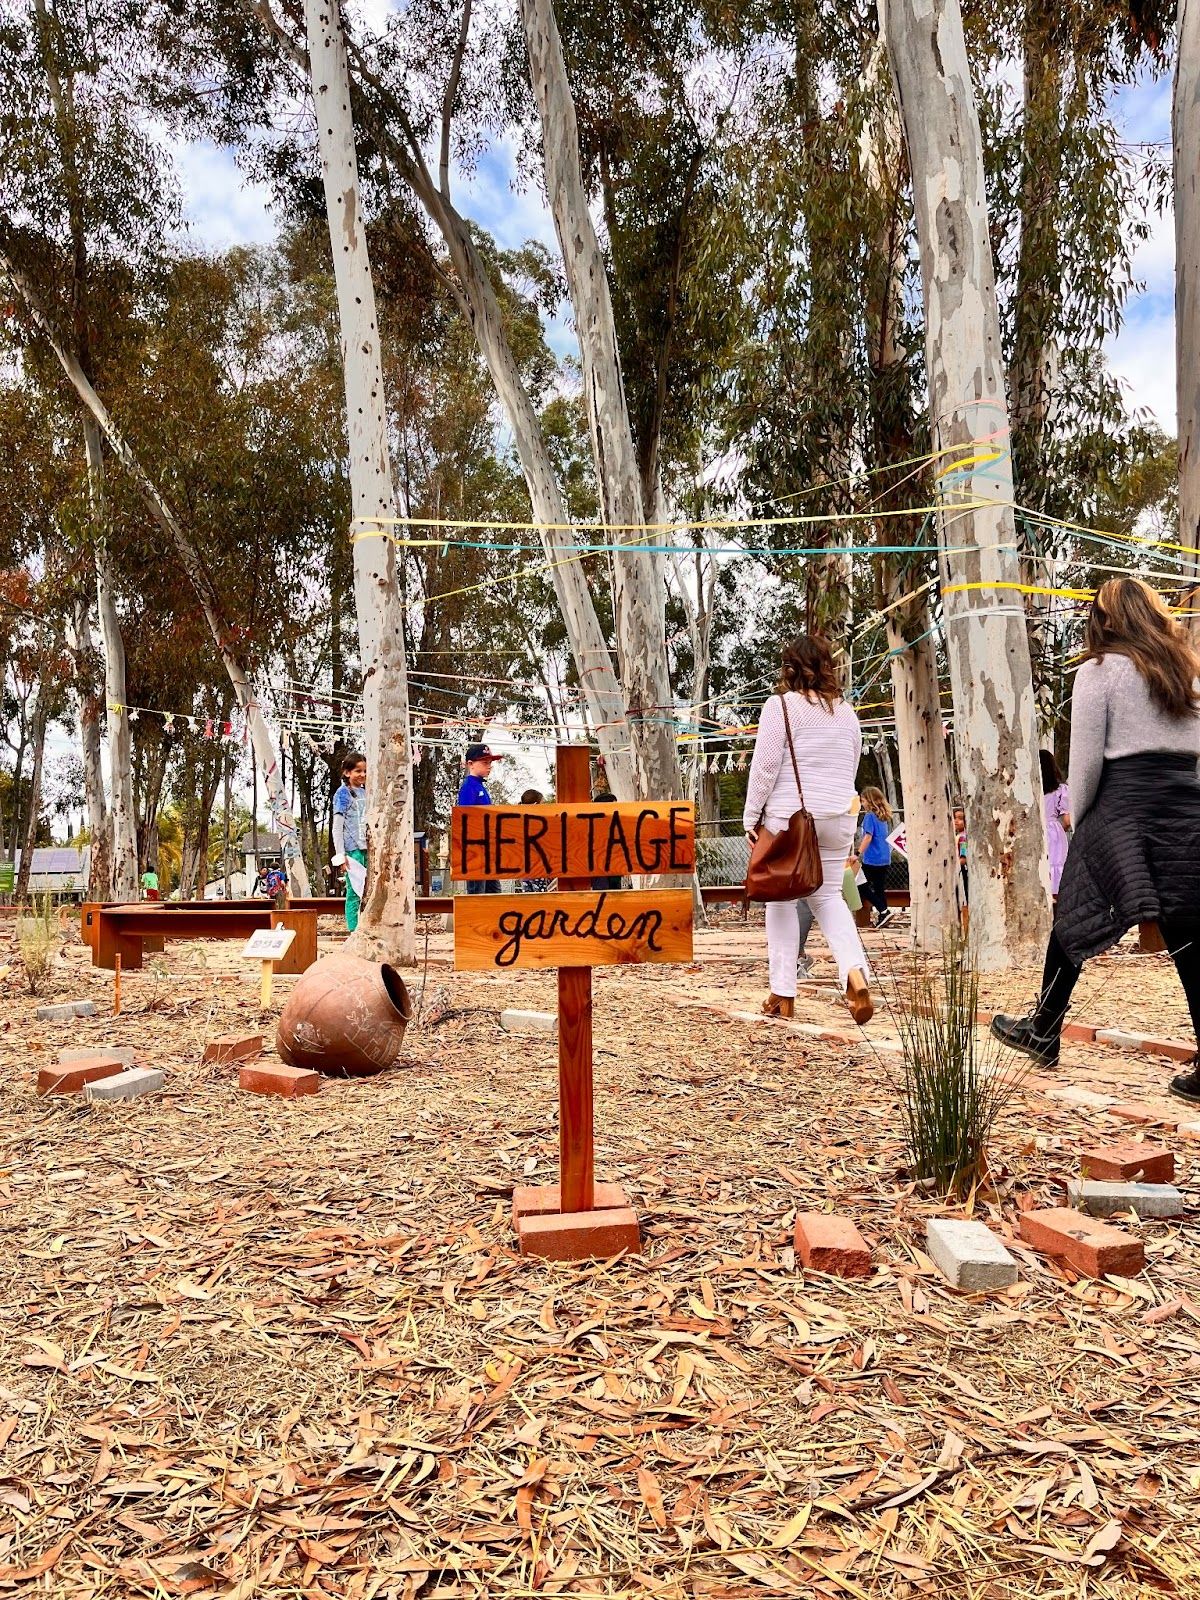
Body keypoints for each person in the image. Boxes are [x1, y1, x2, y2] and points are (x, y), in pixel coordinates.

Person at [992, 578, 1200, 1100]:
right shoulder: (1189, 672)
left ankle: (1043, 1029)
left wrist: (1079, 824)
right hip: (1185, 808)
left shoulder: (1099, 672)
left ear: (1105, 620)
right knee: (1190, 936)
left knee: (1076, 914)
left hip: (1121, 804)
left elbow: (1082, 767)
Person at [743, 634, 874, 1025]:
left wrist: (752, 817)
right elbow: (851, 765)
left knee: (781, 900)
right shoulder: (847, 712)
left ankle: (783, 993)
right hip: (839, 816)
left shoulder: (780, 707)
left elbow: (765, 767)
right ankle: (854, 972)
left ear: (790, 669)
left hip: (791, 819)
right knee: (829, 896)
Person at [458, 743, 503, 894]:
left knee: (494, 894)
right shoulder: (469, 787)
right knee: (478, 895)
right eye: (485, 762)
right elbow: (466, 820)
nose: (489, 766)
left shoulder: (480, 786)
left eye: (490, 763)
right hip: (475, 851)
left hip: (487, 849)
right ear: (470, 764)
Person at [332, 751, 368, 931]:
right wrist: (341, 855)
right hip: (352, 850)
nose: (361, 775)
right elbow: (337, 827)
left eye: (364, 771)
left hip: (368, 848)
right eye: (357, 771)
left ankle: (367, 928)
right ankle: (353, 931)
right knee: (354, 892)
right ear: (347, 773)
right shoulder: (342, 794)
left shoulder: (366, 792)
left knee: (369, 891)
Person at [856, 787, 894, 928]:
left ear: (870, 801)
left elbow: (868, 837)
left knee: (860, 885)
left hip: (872, 858)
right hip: (884, 858)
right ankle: (883, 916)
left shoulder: (870, 816)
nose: (862, 803)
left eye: (863, 800)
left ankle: (883, 910)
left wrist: (857, 853)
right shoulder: (883, 817)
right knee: (879, 888)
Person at [1040, 749, 1072, 894]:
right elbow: (1067, 820)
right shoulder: (1061, 790)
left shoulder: (1034, 789)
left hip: (1036, 830)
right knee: (1056, 868)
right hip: (1054, 832)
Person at [518, 789, 554, 893]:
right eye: (542, 803)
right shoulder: (537, 823)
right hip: (537, 867)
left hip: (525, 869)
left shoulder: (520, 821)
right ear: (535, 805)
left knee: (528, 898)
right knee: (541, 897)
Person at [590, 789, 625, 891]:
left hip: (614, 873)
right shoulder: (594, 827)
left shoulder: (616, 825)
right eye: (613, 806)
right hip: (600, 875)